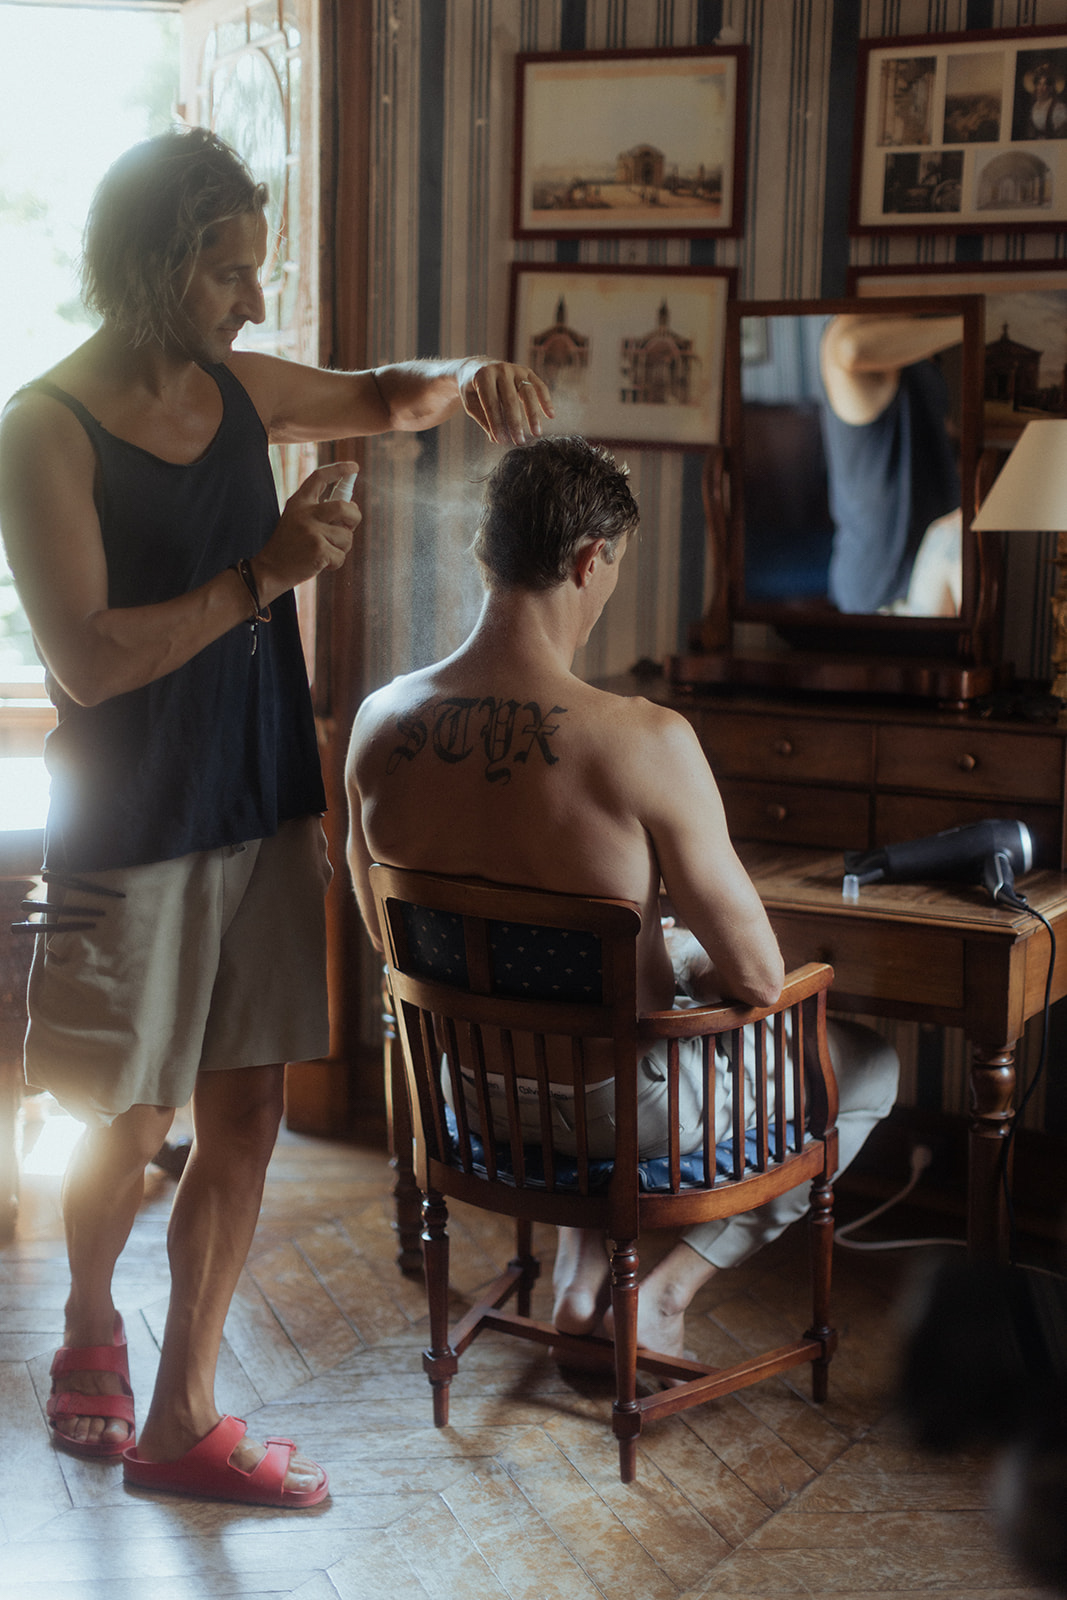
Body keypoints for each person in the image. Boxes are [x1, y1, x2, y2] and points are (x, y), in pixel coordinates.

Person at [0, 125, 552, 1509]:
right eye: (229, 273)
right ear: (149, 269)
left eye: (260, 268)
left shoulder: (242, 387)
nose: (254, 300)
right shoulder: (40, 430)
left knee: (245, 1111)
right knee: (124, 1126)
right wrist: (266, 572)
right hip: (128, 826)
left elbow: (378, 395)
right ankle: (86, 1326)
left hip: (263, 804)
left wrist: (462, 377)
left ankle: (182, 1413)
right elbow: (82, 661)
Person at [345, 435, 898, 1362]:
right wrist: (685, 953)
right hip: (624, 1110)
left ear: (486, 553)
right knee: (869, 1064)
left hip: (466, 1104)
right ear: (589, 559)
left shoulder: (380, 719)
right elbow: (761, 979)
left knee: (603, 994)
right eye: (611, 571)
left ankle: (578, 1283)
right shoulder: (642, 738)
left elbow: (386, 936)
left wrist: (661, 951)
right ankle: (670, 1292)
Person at [819, 311, 963, 616]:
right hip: (878, 591)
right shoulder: (849, 328)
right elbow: (852, 350)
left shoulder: (921, 354)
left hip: (929, 561)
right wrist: (975, 320)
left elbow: (936, 433)